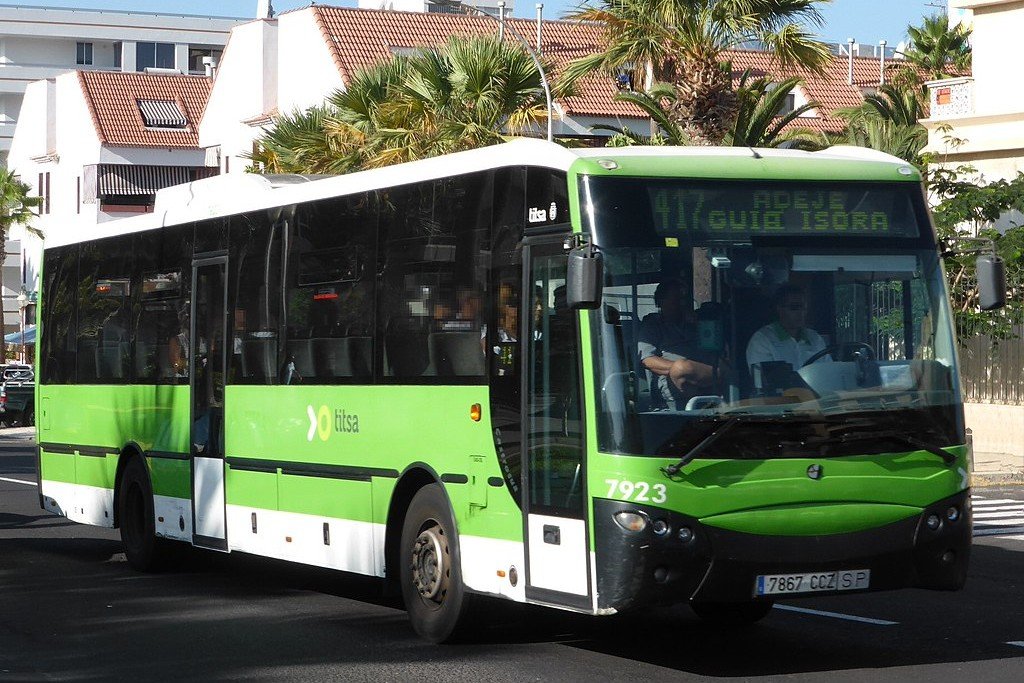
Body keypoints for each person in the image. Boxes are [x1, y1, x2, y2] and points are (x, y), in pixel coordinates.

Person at [638, 278, 720, 409]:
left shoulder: (697, 323)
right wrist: (681, 370)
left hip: (707, 377)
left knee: (727, 367)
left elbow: (714, 350)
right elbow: (648, 361)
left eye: (683, 299)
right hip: (675, 385)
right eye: (676, 298)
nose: (681, 303)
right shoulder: (652, 327)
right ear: (661, 301)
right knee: (682, 367)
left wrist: (699, 325)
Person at [746, 283, 827, 373]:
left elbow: (828, 372)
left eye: (803, 307)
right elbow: (763, 381)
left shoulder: (815, 338)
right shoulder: (762, 340)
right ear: (779, 309)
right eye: (794, 307)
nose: (801, 313)